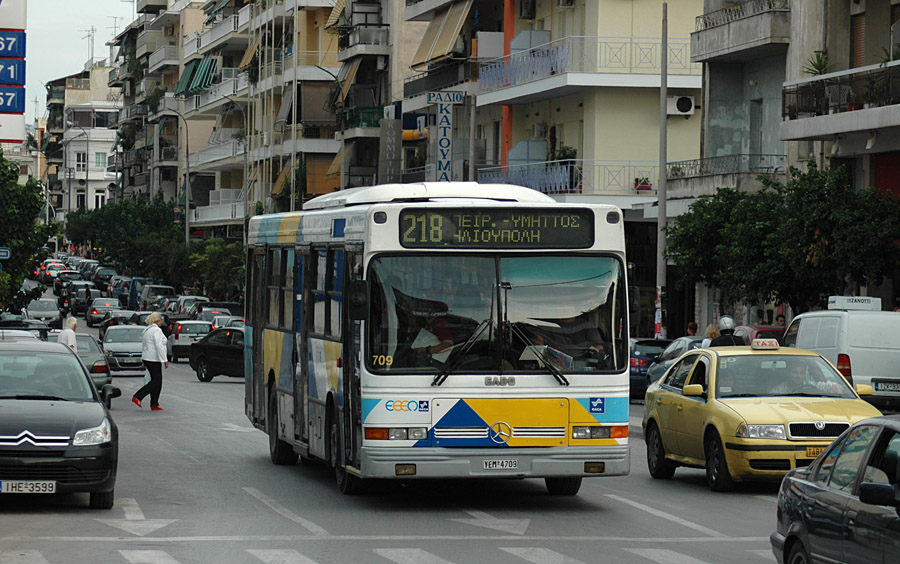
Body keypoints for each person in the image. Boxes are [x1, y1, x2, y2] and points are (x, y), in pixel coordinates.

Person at [132, 312, 169, 411]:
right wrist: (164, 359)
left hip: (147, 357)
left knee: (157, 381)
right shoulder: (156, 330)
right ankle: (138, 396)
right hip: (154, 358)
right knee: (156, 381)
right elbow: (159, 345)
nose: (161, 322)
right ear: (157, 321)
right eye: (160, 320)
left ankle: (154, 403)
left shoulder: (147, 330)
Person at [770, 360, 842, 395]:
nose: (798, 376)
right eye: (795, 372)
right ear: (789, 373)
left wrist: (835, 387)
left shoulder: (812, 386)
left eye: (802, 372)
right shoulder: (777, 391)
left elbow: (829, 386)